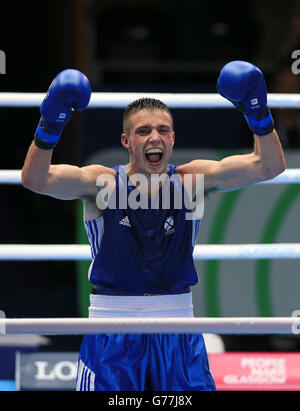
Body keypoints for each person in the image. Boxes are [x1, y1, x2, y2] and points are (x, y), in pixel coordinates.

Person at [21, 61, 285, 391]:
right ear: (126, 141)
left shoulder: (191, 179)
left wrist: (258, 114)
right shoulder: (101, 182)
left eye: (162, 130)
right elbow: (36, 179)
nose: (154, 137)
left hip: (176, 322)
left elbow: (268, 166)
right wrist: (50, 124)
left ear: (173, 139)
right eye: (143, 131)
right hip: (111, 325)